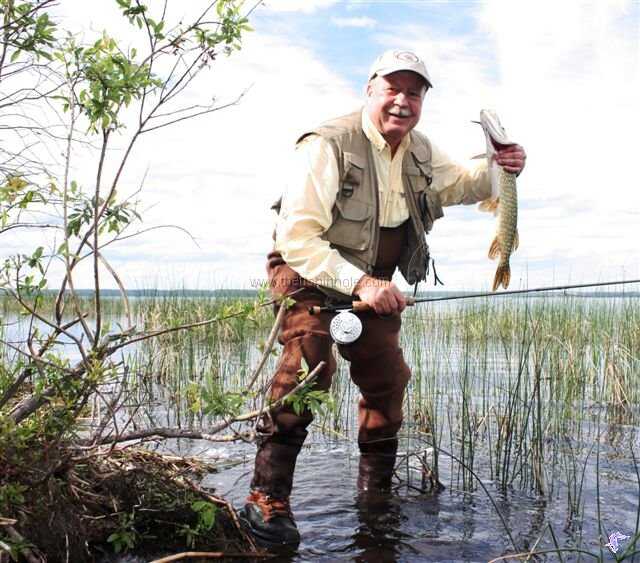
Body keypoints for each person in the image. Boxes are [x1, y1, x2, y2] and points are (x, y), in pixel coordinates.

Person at [239, 49, 527, 546]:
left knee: (387, 378)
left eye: (413, 92)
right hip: (309, 274)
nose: (402, 101)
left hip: (375, 282)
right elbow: (299, 239)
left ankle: (375, 498)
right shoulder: (328, 143)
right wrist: (364, 285)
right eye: (391, 88)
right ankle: (266, 497)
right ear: (368, 90)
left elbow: (460, 184)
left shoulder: (420, 149)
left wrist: (501, 167)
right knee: (308, 370)